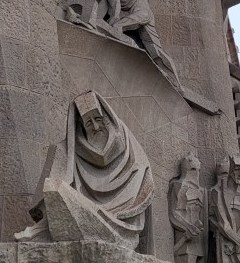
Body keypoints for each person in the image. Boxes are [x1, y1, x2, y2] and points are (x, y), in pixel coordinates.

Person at [16, 91, 153, 249]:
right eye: (88, 122)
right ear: (81, 126)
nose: (95, 127)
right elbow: (54, 193)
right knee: (56, 187)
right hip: (83, 211)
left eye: (98, 119)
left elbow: (145, 181)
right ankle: (43, 230)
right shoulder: (68, 150)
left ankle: (43, 231)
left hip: (121, 225)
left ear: (107, 117)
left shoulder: (128, 147)